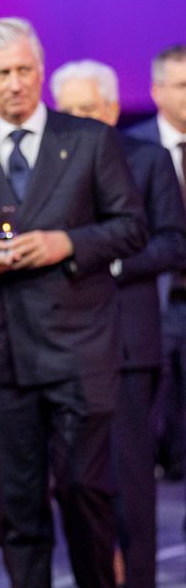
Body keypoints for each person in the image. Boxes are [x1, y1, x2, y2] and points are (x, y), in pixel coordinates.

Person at [0, 17, 147, 588]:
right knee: (17, 503)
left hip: (79, 348)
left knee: (84, 488)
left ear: (41, 70)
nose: (14, 82)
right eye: (2, 73)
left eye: (24, 70)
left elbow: (132, 227)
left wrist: (68, 243)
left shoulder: (87, 139)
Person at [53, 58, 186, 588]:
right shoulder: (51, 165)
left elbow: (173, 242)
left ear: (111, 108)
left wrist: (97, 257)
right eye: (71, 111)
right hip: (61, 343)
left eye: (90, 108)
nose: (82, 118)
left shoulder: (147, 158)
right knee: (76, 481)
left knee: (133, 479)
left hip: (130, 341)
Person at [127, 45, 186, 486]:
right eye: (182, 85)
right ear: (157, 90)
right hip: (155, 297)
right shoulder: (134, 150)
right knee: (152, 412)